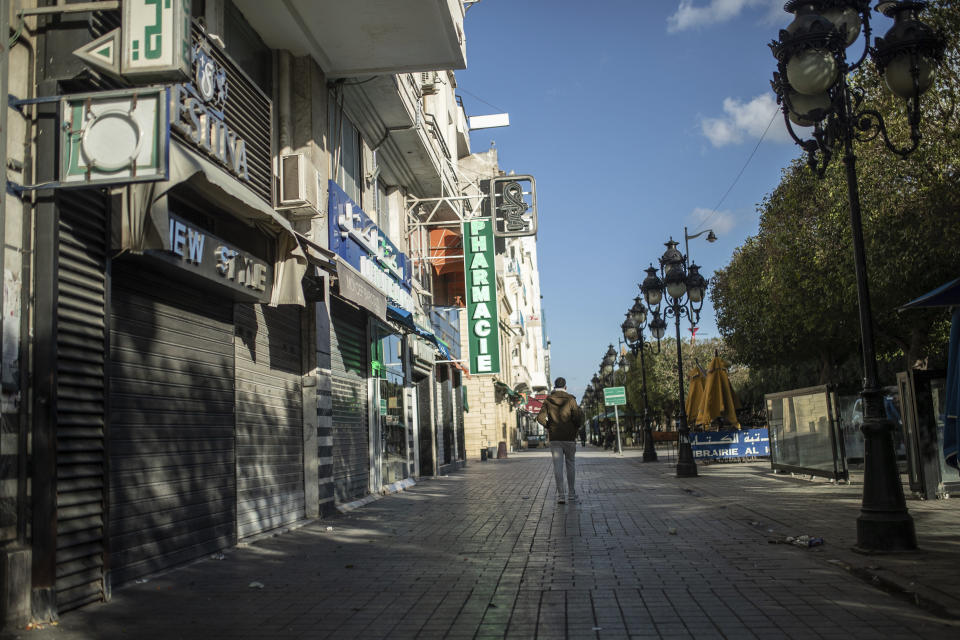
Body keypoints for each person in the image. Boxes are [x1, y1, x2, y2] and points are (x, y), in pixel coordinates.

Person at [536, 377, 583, 504]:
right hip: (569, 438)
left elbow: (540, 418)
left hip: (555, 438)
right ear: (565, 387)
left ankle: (561, 495)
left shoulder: (548, 400)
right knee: (570, 464)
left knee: (558, 466)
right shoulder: (571, 399)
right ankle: (572, 494)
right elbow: (578, 418)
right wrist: (574, 427)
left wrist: (549, 426)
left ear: (554, 387)